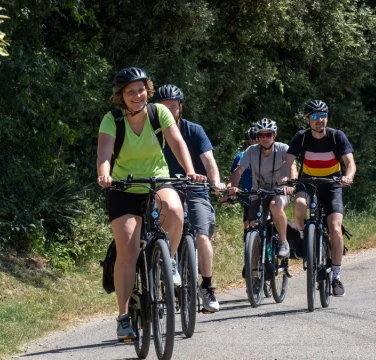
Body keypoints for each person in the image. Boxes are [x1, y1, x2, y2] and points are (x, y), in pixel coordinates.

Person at [96, 67, 205, 341]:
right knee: (128, 247)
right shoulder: (112, 120)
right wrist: (104, 174)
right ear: (120, 96)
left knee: (175, 210)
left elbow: (177, 143)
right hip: (123, 186)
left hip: (156, 180)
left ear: (149, 90)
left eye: (141, 89)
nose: (137, 95)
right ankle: (123, 316)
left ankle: (169, 263)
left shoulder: (159, 113)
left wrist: (190, 169)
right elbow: (105, 153)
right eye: (130, 91)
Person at [156, 84, 226, 312]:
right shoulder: (152, 133)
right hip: (163, 188)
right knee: (153, 233)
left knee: (201, 236)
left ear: (180, 107)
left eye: (173, 107)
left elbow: (208, 160)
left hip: (195, 188)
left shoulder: (194, 130)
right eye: (164, 107)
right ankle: (163, 272)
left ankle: (207, 286)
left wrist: (214, 181)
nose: (169, 111)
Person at [279, 100, 356, 297]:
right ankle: (306, 236)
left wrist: (349, 176)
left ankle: (336, 276)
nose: (319, 120)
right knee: (298, 205)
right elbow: (288, 160)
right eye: (314, 117)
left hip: (332, 185)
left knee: (336, 229)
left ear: (327, 117)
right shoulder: (301, 137)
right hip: (308, 182)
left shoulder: (336, 136)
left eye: (322, 115)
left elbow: (350, 163)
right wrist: (284, 176)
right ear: (308, 120)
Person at [228, 118, 297, 258]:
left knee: (275, 205)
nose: (265, 138)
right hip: (258, 192)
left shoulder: (283, 148)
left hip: (280, 191)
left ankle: (283, 242)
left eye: (268, 135)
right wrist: (232, 187)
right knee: (251, 226)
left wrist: (290, 184)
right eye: (261, 135)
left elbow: (292, 167)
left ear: (274, 135)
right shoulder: (251, 151)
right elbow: (239, 170)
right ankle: (253, 272)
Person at [229, 127, 258, 229]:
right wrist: (229, 190)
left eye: (256, 142)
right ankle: (248, 243)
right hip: (248, 196)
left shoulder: (267, 156)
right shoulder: (241, 157)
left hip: (264, 193)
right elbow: (233, 178)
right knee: (247, 226)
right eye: (250, 143)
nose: (253, 145)